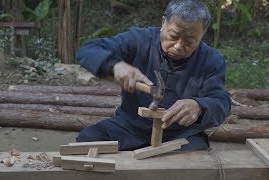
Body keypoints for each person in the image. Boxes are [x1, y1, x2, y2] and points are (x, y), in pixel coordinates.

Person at [75, 0, 231, 151]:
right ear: (163, 22)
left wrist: (200, 106)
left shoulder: (211, 60)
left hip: (180, 134)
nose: (178, 46)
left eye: (189, 41)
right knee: (88, 140)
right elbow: (87, 50)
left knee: (191, 159)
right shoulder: (138, 40)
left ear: (202, 34)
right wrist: (115, 65)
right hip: (130, 126)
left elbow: (221, 102)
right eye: (173, 36)